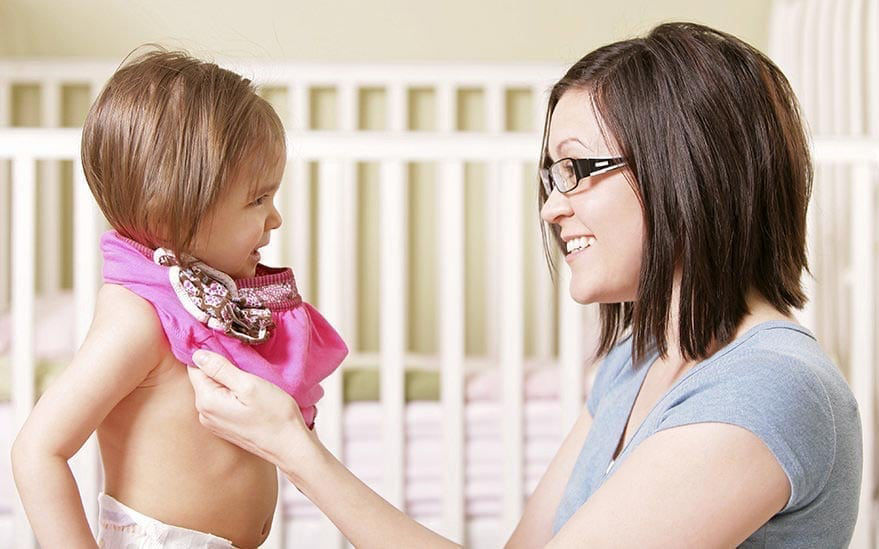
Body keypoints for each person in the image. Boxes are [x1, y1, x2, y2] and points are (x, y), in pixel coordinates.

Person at [188, 22, 863, 548]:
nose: (551, 207)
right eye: (551, 177)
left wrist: (296, 451)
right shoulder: (637, 363)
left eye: (577, 170)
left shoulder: (767, 388)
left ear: (683, 169)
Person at [11, 49, 348, 548]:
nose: (275, 218)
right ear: (168, 212)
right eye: (257, 199)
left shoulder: (211, 299)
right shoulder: (138, 313)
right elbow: (37, 450)